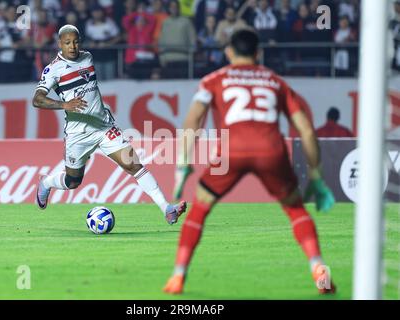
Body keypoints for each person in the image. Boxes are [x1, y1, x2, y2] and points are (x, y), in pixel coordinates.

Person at [164, 29, 336, 295]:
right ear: (258, 53)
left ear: (229, 52)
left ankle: (177, 276)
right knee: (296, 211)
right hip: (272, 152)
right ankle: (319, 272)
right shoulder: (276, 82)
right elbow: (306, 130)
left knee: (199, 210)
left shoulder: (213, 80)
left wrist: (182, 163)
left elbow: (193, 119)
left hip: (231, 152)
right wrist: (316, 175)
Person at [32, 25, 186, 225]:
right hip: (78, 133)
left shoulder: (87, 57)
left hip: (104, 127)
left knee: (133, 165)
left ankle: (167, 208)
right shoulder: (53, 69)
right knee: (73, 181)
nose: (72, 46)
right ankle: (46, 182)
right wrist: (64, 105)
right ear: (59, 44)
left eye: (76, 41)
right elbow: (37, 99)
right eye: (67, 42)